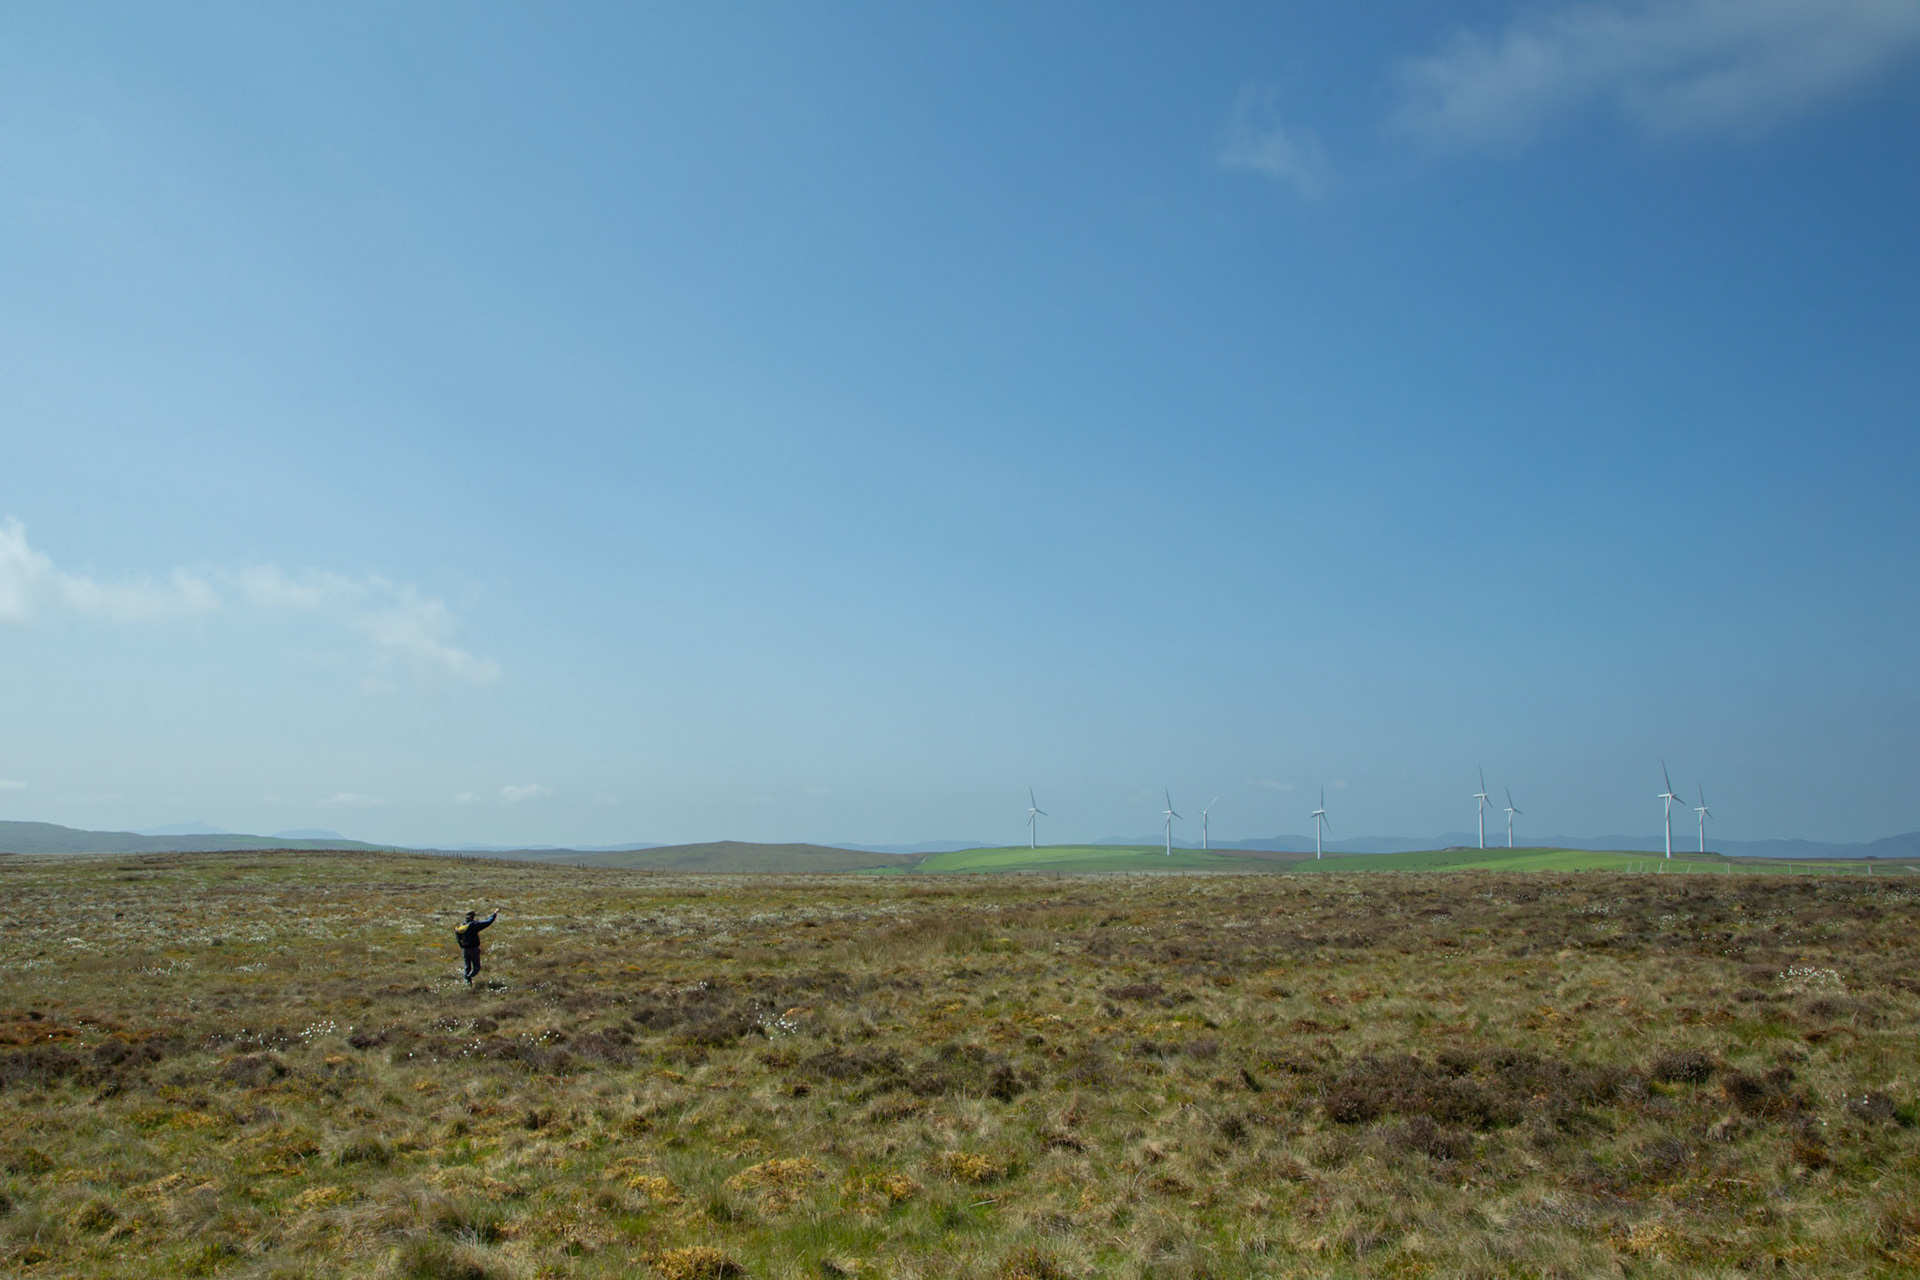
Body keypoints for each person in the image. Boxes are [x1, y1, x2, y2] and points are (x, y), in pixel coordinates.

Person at [454, 910, 498, 984]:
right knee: (476, 968)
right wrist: (494, 914)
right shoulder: (473, 925)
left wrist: (462, 946)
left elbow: (458, 939)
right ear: (473, 917)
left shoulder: (461, 927)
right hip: (473, 949)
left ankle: (467, 982)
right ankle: (469, 977)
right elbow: (487, 922)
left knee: (467, 967)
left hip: (465, 949)